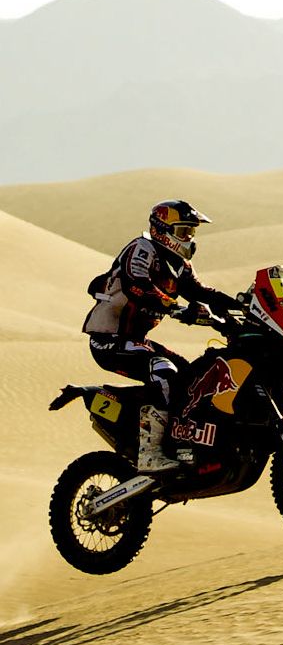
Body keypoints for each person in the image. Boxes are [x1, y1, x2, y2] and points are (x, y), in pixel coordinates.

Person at [83, 199, 238, 472]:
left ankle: (182, 442)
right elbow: (137, 287)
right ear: (161, 229)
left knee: (193, 377)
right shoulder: (142, 249)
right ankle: (151, 453)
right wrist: (176, 307)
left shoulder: (179, 264)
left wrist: (241, 305)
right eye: (183, 232)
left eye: (192, 232)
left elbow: (200, 292)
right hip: (109, 340)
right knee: (164, 372)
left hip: (136, 341)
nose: (189, 238)